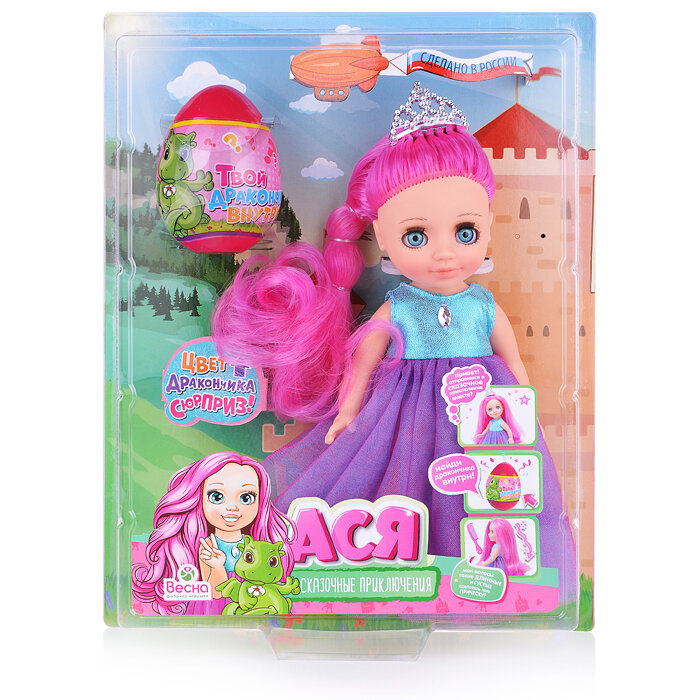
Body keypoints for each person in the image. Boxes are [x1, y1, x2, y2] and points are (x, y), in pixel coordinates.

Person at [212, 84, 574, 601]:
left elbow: (514, 364)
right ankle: (399, 574)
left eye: (465, 232)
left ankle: (480, 580)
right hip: (405, 411)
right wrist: (349, 409)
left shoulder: (483, 306)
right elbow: (364, 358)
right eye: (416, 237)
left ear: (489, 223)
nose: (444, 254)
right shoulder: (399, 307)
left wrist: (525, 409)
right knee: (406, 478)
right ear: (382, 236)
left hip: (483, 414)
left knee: (479, 492)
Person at [132, 451, 293, 615]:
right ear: (199, 498)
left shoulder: (257, 544)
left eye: (246, 498)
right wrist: (218, 566)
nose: (232, 507)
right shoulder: (209, 545)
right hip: (217, 610)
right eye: (217, 497)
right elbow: (215, 592)